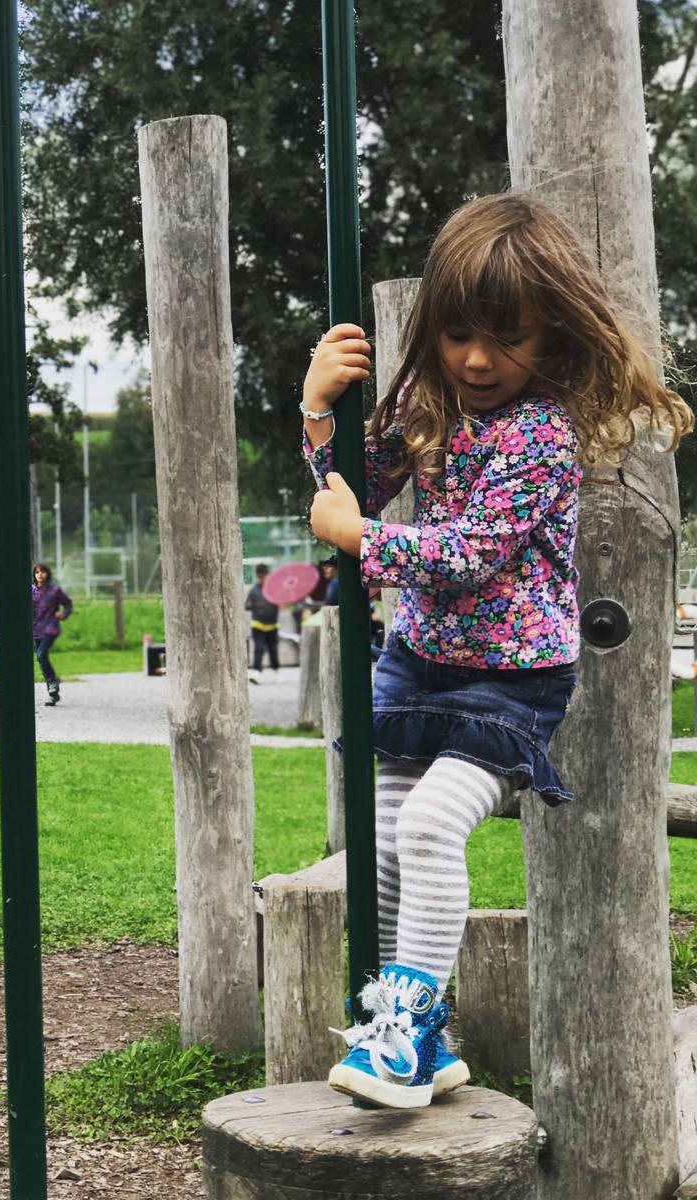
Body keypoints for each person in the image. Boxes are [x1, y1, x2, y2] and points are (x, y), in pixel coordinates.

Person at [300, 193, 691, 1110]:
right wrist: (319, 413)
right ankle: (425, 1042)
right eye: (458, 333)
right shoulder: (424, 406)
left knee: (433, 827)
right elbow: (350, 490)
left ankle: (395, 1035)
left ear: (551, 333)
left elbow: (473, 554)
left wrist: (365, 541)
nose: (478, 359)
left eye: (505, 338)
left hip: (511, 684)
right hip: (418, 664)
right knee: (389, 846)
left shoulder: (542, 435)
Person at [31, 562, 72, 706]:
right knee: (42, 660)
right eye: (37, 572)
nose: (40, 574)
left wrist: (64, 614)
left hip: (50, 627)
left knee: (41, 654)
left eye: (42, 571)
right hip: (35, 629)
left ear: (47, 574)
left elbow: (68, 603)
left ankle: (53, 681)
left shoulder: (55, 590)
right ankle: (52, 694)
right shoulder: (31, 591)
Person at [245, 563, 281, 682]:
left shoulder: (275, 588)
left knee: (273, 649)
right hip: (258, 625)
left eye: (263, 575)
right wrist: (251, 605)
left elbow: (282, 600)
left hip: (272, 625)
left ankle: (276, 670)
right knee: (259, 648)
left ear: (268, 575)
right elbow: (247, 605)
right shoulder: (254, 590)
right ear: (257, 576)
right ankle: (256, 672)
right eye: (259, 576)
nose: (261, 578)